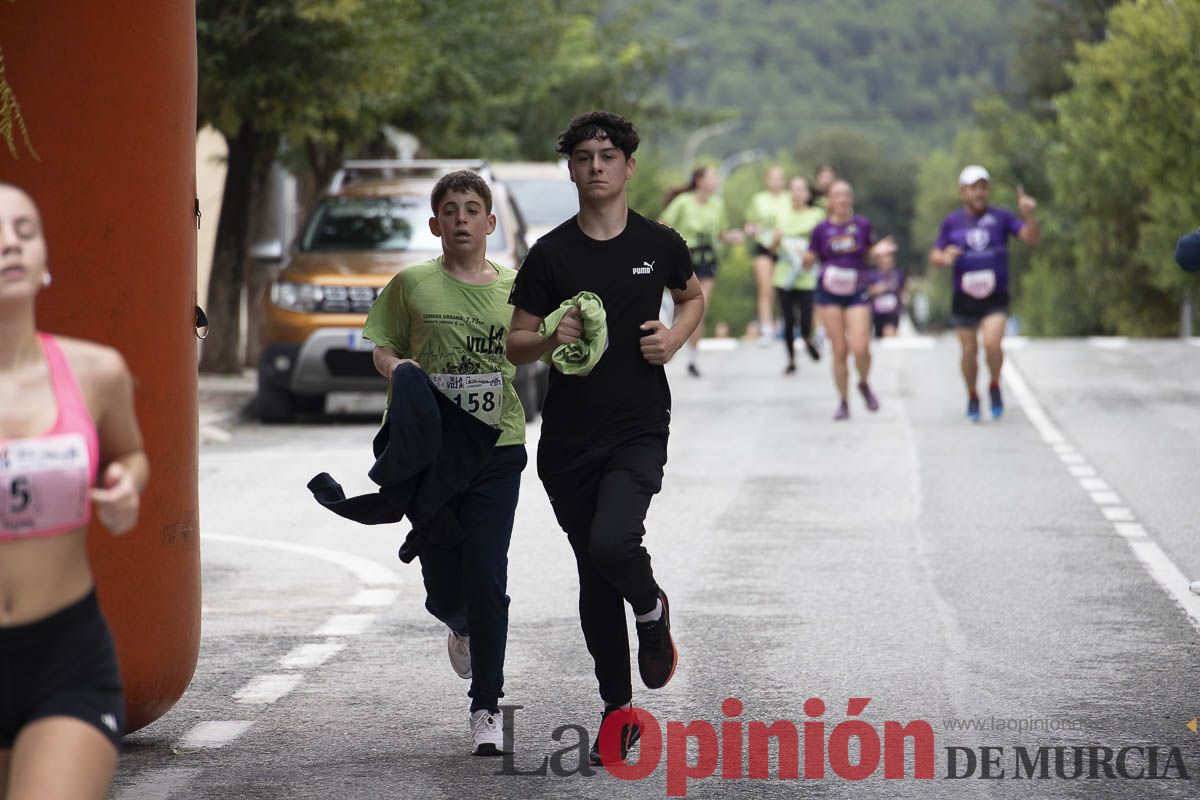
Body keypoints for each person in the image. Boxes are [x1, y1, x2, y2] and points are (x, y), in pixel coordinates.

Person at [506, 111, 703, 765]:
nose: (596, 166)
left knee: (614, 542)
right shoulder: (550, 253)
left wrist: (673, 338)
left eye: (607, 155)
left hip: (638, 427)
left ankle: (650, 608)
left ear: (628, 166)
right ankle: (619, 711)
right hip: (568, 441)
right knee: (593, 575)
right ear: (571, 170)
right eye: (584, 157)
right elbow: (515, 342)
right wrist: (547, 337)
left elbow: (692, 298)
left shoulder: (660, 242)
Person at [362, 171, 527, 757]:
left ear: (490, 222)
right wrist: (397, 368)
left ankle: (486, 705)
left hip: (496, 448)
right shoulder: (412, 284)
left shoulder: (516, 289)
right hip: (431, 456)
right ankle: (458, 621)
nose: (461, 218)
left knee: (488, 573)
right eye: (450, 210)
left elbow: (538, 345)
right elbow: (382, 345)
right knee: (444, 582)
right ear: (435, 224)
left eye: (472, 209)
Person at [0, 183, 149, 799]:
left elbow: (131, 456)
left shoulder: (97, 371)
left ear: (43, 256)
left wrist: (125, 487)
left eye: (24, 231)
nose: (9, 244)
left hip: (65, 656)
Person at [929, 165, 1040, 422]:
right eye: (972, 188)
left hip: (995, 296)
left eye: (982, 187)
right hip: (964, 297)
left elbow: (1031, 238)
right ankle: (972, 394)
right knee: (969, 351)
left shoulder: (1001, 217)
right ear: (962, 192)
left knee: (992, 344)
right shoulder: (951, 222)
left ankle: (994, 384)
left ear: (988, 190)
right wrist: (944, 258)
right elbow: (935, 254)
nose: (978, 193)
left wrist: (1029, 216)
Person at [803, 180, 894, 420]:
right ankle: (843, 401)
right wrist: (805, 259)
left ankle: (863, 383)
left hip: (856, 291)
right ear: (829, 201)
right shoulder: (820, 230)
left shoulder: (862, 225)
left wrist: (877, 252)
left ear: (851, 199)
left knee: (861, 347)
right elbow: (810, 260)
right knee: (840, 350)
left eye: (846, 195)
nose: (842, 199)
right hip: (829, 294)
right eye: (837, 195)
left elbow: (869, 256)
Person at [659, 165, 743, 377]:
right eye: (712, 177)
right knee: (682, 304)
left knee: (700, 306)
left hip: (707, 257)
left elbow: (721, 233)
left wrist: (732, 237)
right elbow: (662, 224)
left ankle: (692, 358)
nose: (716, 181)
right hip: (685, 255)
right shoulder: (683, 202)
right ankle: (671, 333)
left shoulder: (718, 205)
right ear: (699, 181)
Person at [771, 176, 825, 374]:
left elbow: (823, 243)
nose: (796, 193)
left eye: (801, 189)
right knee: (788, 319)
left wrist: (810, 254)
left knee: (805, 317)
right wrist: (776, 241)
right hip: (784, 275)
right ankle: (791, 360)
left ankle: (807, 338)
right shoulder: (781, 215)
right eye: (793, 189)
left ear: (808, 194)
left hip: (807, 274)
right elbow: (772, 249)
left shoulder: (816, 215)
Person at [743, 166, 791, 345]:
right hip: (764, 247)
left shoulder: (789, 198)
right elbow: (749, 223)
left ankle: (788, 324)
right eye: (773, 178)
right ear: (767, 180)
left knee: (786, 289)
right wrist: (750, 229)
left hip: (786, 249)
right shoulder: (758, 199)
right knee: (765, 288)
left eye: (780, 178)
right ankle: (767, 328)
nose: (776, 182)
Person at [867, 247, 908, 338]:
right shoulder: (872, 275)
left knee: (889, 336)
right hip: (876, 314)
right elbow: (866, 292)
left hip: (892, 314)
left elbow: (903, 290)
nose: (887, 264)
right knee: (878, 339)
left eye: (889, 261)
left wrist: (904, 298)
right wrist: (877, 289)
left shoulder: (898, 275)